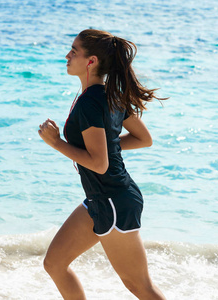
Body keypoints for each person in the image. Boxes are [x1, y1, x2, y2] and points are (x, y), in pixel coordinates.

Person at [38, 29, 167, 300]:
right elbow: (143, 139)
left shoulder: (91, 102)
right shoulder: (109, 95)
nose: (67, 55)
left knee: (139, 285)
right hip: (100, 198)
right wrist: (108, 145)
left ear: (91, 61)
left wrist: (57, 143)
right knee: (54, 263)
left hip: (114, 200)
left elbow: (99, 164)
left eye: (74, 51)